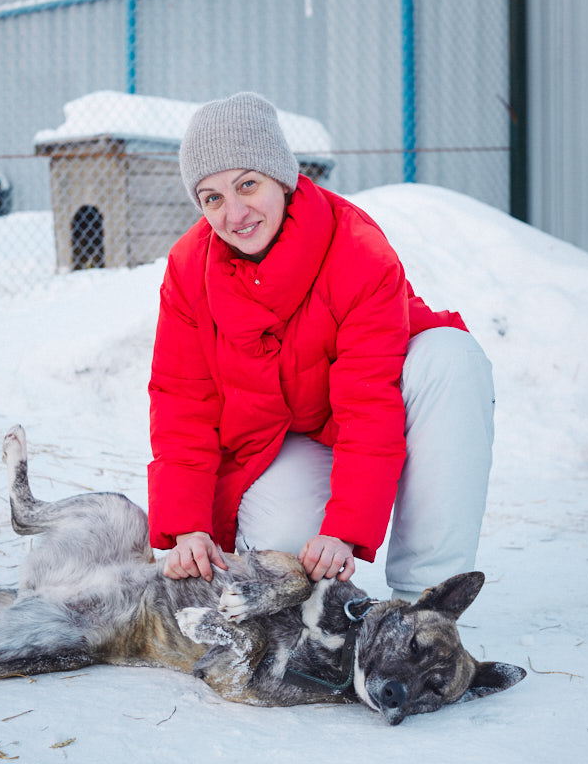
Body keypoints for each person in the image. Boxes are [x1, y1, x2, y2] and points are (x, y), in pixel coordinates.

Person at [147, 92, 495, 602]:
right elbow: (182, 402)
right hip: (278, 438)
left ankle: (423, 604)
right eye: (212, 197)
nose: (235, 212)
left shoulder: (356, 251)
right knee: (285, 557)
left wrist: (347, 530)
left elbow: (368, 400)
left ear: (281, 178)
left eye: (248, 184)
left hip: (365, 413)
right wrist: (187, 527)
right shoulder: (187, 268)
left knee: (453, 358)